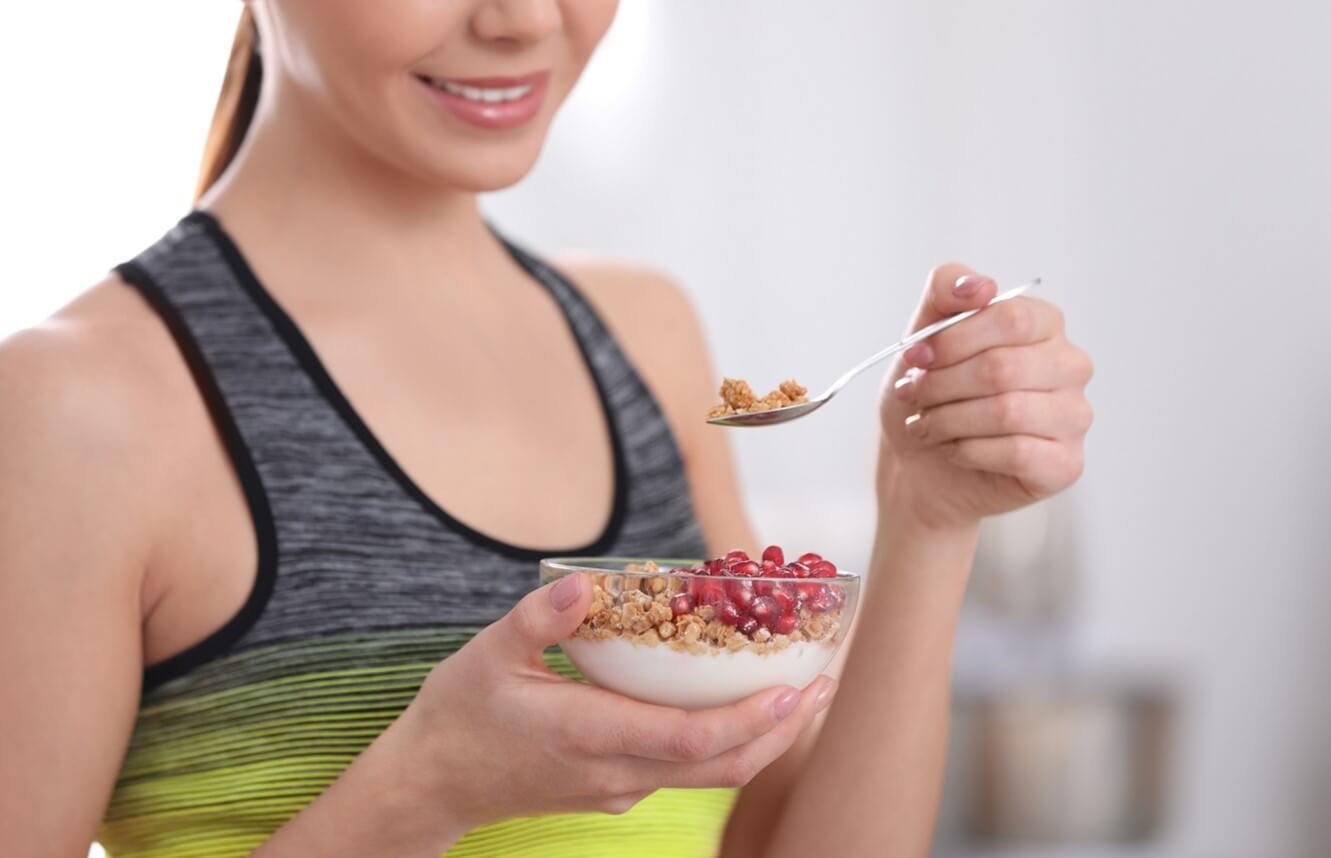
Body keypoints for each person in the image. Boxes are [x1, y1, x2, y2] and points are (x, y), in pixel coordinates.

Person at [0, 2, 1094, 856]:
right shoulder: (77, 412)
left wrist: (925, 522)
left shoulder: (644, 337)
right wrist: (421, 790)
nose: (524, 17)